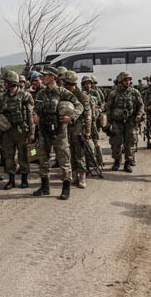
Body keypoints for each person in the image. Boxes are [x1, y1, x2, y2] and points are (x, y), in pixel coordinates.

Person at [32, 66, 83, 200]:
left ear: (53, 77)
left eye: (46, 75)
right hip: (44, 130)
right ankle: (45, 187)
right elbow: (35, 108)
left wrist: (71, 118)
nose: (43, 77)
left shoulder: (62, 92)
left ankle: (66, 189)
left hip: (59, 131)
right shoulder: (41, 93)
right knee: (43, 158)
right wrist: (35, 115)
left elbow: (79, 106)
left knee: (64, 159)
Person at [0, 71, 35, 190]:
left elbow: (30, 115)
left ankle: (24, 179)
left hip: (21, 130)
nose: (4, 84)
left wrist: (32, 132)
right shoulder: (2, 96)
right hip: (7, 131)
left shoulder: (25, 96)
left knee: (23, 155)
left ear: (11, 83)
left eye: (6, 82)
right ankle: (11, 180)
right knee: (8, 156)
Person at [105, 71, 144, 172]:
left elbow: (141, 106)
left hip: (130, 121)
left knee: (130, 142)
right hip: (117, 122)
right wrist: (108, 122)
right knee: (116, 142)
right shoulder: (113, 93)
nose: (128, 82)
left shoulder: (135, 92)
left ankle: (127, 163)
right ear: (121, 81)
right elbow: (108, 108)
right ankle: (117, 161)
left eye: (129, 80)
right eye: (126, 80)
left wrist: (139, 116)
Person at [63, 71, 92, 189]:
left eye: (69, 84)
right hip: (66, 127)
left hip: (78, 127)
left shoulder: (82, 96)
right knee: (69, 153)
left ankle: (82, 177)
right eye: (66, 84)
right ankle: (74, 175)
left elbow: (87, 114)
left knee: (79, 153)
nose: (67, 86)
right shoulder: (64, 93)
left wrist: (87, 131)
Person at [81, 76, 104, 167]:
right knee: (86, 143)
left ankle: (98, 161)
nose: (88, 85)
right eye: (86, 83)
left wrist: (99, 110)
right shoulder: (81, 95)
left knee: (95, 142)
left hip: (93, 122)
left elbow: (100, 104)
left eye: (89, 83)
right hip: (85, 122)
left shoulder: (94, 94)